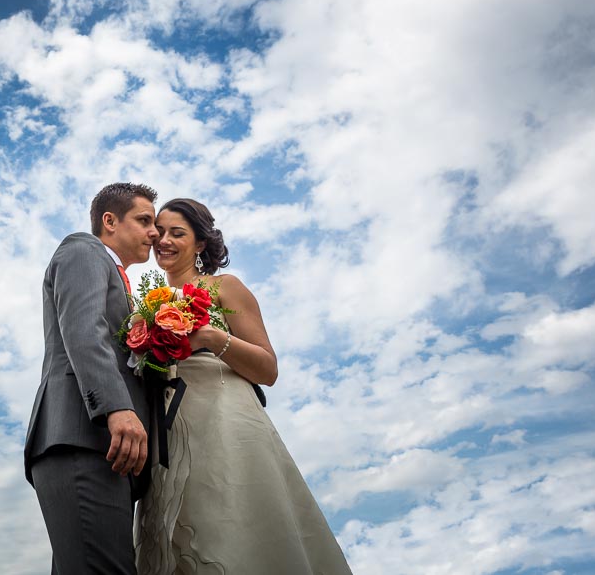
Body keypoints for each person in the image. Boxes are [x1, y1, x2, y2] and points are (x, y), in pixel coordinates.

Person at [135, 198, 352, 574]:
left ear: (200, 244)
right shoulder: (145, 307)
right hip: (166, 432)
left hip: (225, 421)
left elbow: (268, 369)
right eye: (160, 232)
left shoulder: (224, 288)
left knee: (232, 517)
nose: (164, 240)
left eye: (177, 233)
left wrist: (210, 337)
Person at [24, 182, 160, 575]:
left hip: (106, 450)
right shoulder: (82, 250)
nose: (154, 232)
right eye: (144, 220)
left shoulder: (121, 281)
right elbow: (84, 329)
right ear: (109, 221)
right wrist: (118, 408)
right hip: (82, 436)